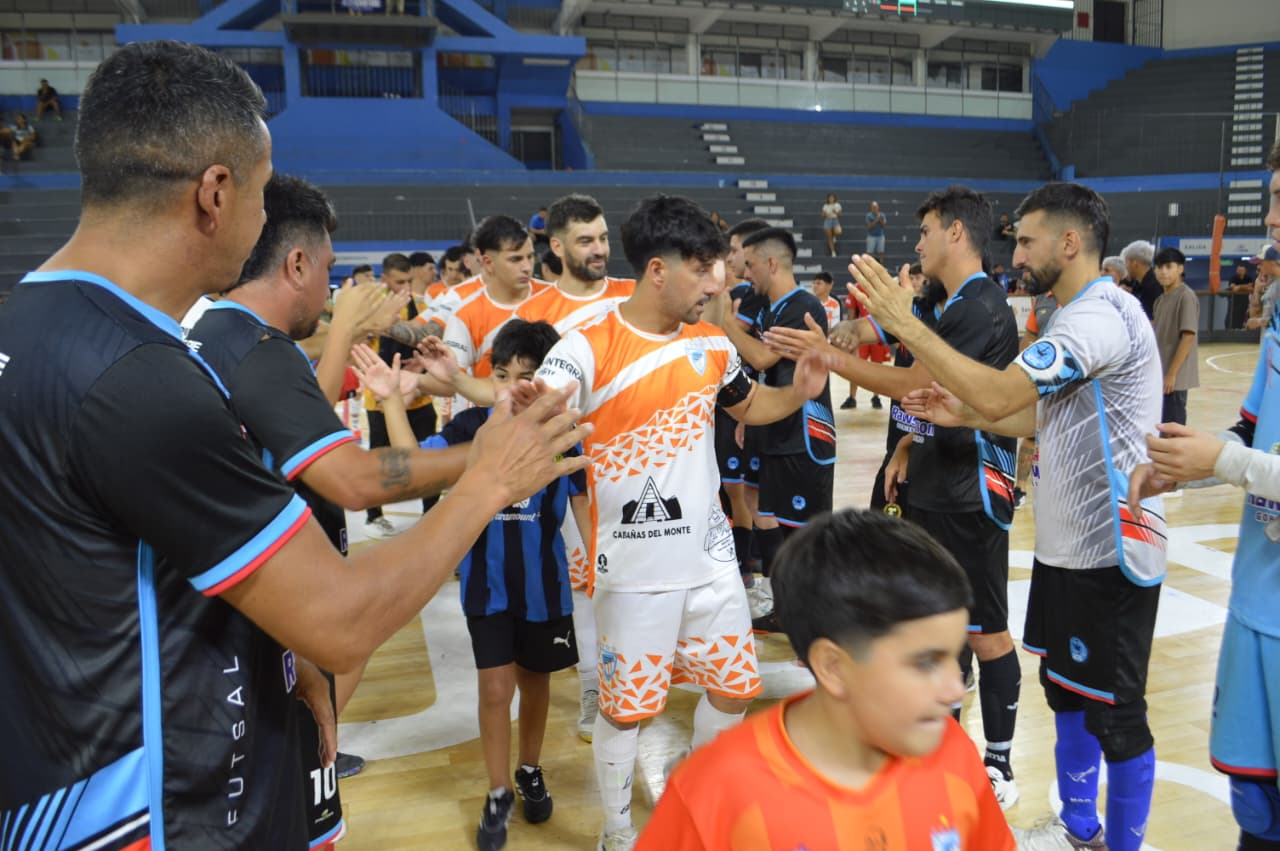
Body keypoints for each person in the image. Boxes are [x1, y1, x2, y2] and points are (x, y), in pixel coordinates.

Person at [0, 39, 586, 850]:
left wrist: (279, 647)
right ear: (216, 193)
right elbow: (341, 619)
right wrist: (487, 478)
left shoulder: (29, 323)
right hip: (168, 807)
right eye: (261, 187)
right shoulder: (138, 376)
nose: (263, 216)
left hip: (59, 773)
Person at [860, 181, 1165, 851]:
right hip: (1067, 545)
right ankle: (1079, 827)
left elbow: (1002, 392)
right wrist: (964, 415)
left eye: (1027, 240)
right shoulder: (1071, 317)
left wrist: (906, 325)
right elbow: (1032, 417)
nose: (1017, 253)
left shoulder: (1098, 318)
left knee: (1117, 716)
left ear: (1069, 242)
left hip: (1111, 549)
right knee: (1067, 693)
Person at [534, 194, 834, 851]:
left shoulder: (712, 344)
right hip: (634, 569)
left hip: (711, 560)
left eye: (718, 269)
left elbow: (749, 406)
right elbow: (538, 412)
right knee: (627, 711)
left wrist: (798, 393)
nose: (717, 284)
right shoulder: (584, 348)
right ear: (657, 271)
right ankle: (617, 831)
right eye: (702, 270)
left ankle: (697, 790)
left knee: (734, 690)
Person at [186, 173, 471, 830]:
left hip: (236, 617)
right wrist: (485, 461)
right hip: (263, 612)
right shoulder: (257, 347)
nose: (331, 287)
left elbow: (293, 415)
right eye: (329, 270)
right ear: (296, 263)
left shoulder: (209, 327)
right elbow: (357, 480)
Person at [765, 186, 1023, 811]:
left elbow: (914, 381)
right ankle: (943, 751)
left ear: (956, 232)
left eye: (926, 230)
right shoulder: (945, 300)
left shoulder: (981, 306)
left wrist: (828, 357)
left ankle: (999, 763)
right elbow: (927, 398)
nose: (917, 242)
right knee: (937, 626)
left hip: (971, 492)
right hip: (931, 480)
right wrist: (906, 444)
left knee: (986, 634)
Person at [636, 510, 1016, 851]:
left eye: (955, 657)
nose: (954, 689)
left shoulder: (954, 753)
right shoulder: (712, 792)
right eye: (925, 663)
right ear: (833, 667)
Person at [365, 320, 588, 851]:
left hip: (545, 586)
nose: (511, 386)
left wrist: (603, 566)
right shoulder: (471, 426)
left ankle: (529, 769)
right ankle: (497, 791)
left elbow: (583, 499)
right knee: (494, 689)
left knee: (537, 682)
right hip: (485, 586)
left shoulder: (563, 430)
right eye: (502, 375)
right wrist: (392, 402)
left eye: (525, 376)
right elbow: (415, 467)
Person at [1128, 141, 1280, 851]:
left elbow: (1237, 451)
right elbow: (1250, 427)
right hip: (1256, 602)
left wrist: (1219, 459)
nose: (1272, 219)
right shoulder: (1279, 324)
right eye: (1273, 198)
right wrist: (1186, 465)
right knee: (1257, 811)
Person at [717, 227, 836, 634]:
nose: (745, 272)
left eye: (750, 264)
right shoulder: (770, 308)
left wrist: (726, 322)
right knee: (771, 519)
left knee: (806, 535)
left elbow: (763, 359)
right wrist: (746, 417)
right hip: (773, 431)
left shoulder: (802, 307)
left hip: (803, 437)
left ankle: (820, 624)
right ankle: (785, 610)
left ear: (771, 263)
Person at [361, 252, 440, 539]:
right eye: (398, 282)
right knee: (379, 461)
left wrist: (421, 363)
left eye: (408, 281)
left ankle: (432, 515)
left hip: (420, 397)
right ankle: (374, 515)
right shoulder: (369, 309)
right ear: (384, 279)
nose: (404, 287)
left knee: (428, 460)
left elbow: (433, 343)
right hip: (379, 399)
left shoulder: (422, 307)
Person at [1151, 246, 1199, 427]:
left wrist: (1171, 374)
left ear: (1180, 268)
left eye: (1168, 266)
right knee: (1161, 427)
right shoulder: (1160, 299)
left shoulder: (1185, 297)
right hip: (1160, 374)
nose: (1163, 272)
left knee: (1174, 428)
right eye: (1159, 267)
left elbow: (1188, 337)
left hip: (1174, 379)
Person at [1121, 239, 1161, 319]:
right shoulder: (1137, 285)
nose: (1125, 266)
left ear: (1134, 263)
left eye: (1126, 262)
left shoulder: (1153, 287)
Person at [821, 192, 842, 257]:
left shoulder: (837, 205)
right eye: (830, 198)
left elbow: (840, 215)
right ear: (828, 199)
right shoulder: (825, 206)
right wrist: (825, 214)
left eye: (832, 198)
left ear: (834, 198)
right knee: (829, 237)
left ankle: (834, 236)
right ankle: (833, 252)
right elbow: (822, 216)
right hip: (828, 220)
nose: (831, 199)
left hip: (835, 220)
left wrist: (835, 212)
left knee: (839, 232)